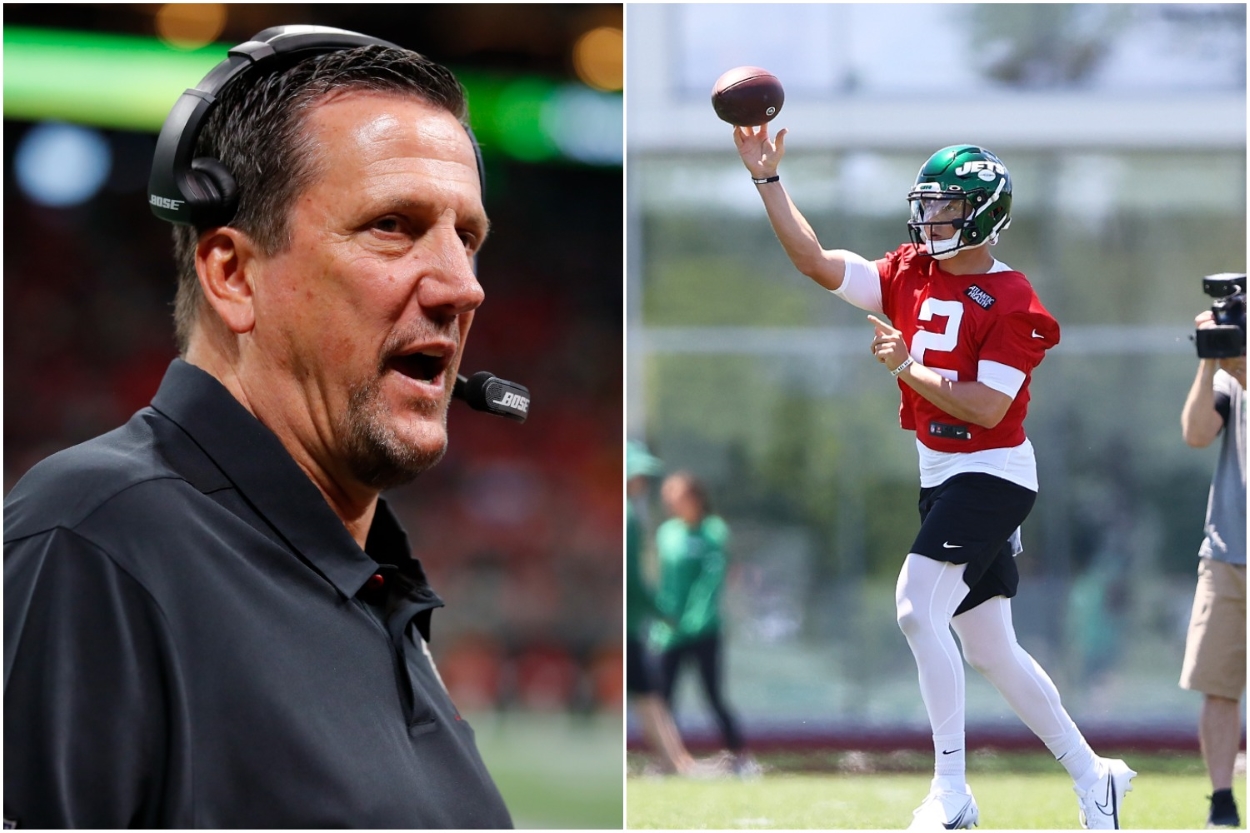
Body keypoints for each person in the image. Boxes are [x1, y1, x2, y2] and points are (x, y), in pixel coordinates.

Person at [4, 27, 514, 828]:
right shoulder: (93, 538)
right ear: (233, 274)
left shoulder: (363, 575)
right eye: (393, 224)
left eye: (468, 238)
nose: (462, 286)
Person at [734, 125, 1133, 829]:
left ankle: (951, 789)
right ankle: (1093, 773)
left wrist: (906, 367)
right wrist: (769, 181)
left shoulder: (1013, 298)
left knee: (917, 608)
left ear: (980, 215)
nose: (929, 219)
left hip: (994, 473)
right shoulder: (908, 270)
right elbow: (816, 261)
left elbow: (985, 406)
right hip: (942, 473)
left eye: (945, 207)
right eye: (928, 205)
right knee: (991, 648)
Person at [1179, 307, 1246, 828]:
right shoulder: (1230, 372)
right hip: (1228, 551)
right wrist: (1210, 361)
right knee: (1218, 684)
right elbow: (1197, 433)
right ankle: (1221, 802)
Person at [651, 470, 757, 777]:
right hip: (670, 630)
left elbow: (712, 580)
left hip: (703, 630)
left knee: (713, 696)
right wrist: (663, 619)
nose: (672, 503)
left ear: (695, 498)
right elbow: (665, 582)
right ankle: (666, 761)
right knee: (663, 699)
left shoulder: (714, 531)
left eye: (678, 496)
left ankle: (740, 757)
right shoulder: (667, 533)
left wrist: (695, 618)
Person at [626, 441, 701, 776]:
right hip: (628, 624)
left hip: (630, 621)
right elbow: (635, 581)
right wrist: (660, 611)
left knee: (649, 696)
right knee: (649, 696)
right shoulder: (628, 516)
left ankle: (674, 761)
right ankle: (673, 762)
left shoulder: (630, 514)